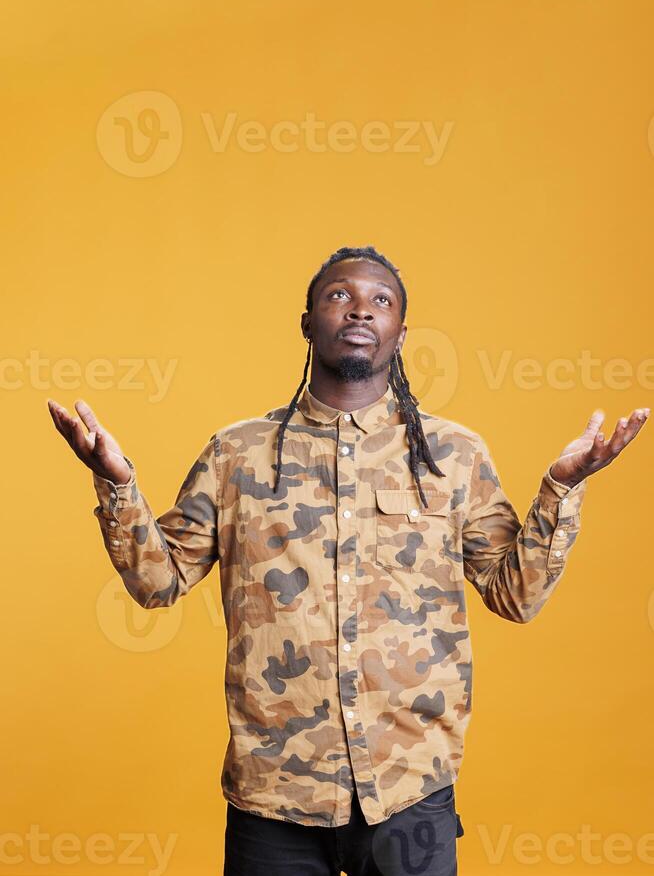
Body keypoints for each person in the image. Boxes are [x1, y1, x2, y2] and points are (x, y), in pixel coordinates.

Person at [47, 245, 648, 876]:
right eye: (339, 295)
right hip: (273, 795)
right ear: (307, 323)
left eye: (380, 300)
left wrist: (561, 488)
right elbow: (156, 582)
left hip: (410, 791)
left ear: (400, 333)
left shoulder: (453, 455)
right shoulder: (237, 454)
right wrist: (116, 485)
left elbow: (516, 595)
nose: (360, 308)